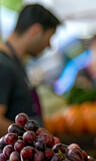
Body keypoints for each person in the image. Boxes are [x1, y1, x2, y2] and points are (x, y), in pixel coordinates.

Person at [0, 4, 60, 134]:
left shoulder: (16, 63)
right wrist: (32, 136)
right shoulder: (3, 65)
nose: (49, 45)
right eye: (49, 38)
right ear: (36, 31)